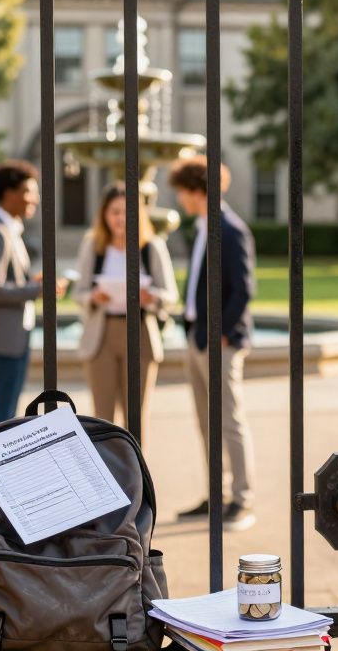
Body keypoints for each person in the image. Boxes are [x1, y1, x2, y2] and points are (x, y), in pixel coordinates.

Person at [168, 156, 258, 531]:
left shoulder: (231, 229)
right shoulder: (204, 227)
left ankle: (242, 500)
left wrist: (220, 332)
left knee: (229, 421)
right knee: (207, 422)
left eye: (182, 193)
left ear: (195, 191)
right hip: (197, 336)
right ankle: (216, 496)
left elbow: (244, 289)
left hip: (219, 341)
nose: (179, 200)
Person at [73, 182, 178, 440]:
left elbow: (171, 295)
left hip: (140, 334)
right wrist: (94, 297)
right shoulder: (93, 246)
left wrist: (150, 297)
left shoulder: (151, 247)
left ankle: (136, 478)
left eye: (126, 212)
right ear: (104, 215)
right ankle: (106, 478)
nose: (120, 218)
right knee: (101, 420)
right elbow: (79, 293)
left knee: (136, 417)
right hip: (102, 335)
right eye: (114, 212)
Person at [0, 159, 66, 429]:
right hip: (4, 338)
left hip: (13, 335)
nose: (35, 199)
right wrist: (37, 289)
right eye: (29, 192)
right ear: (8, 193)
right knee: (2, 414)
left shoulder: (9, 229)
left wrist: (31, 282)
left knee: (7, 410)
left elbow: (7, 280)